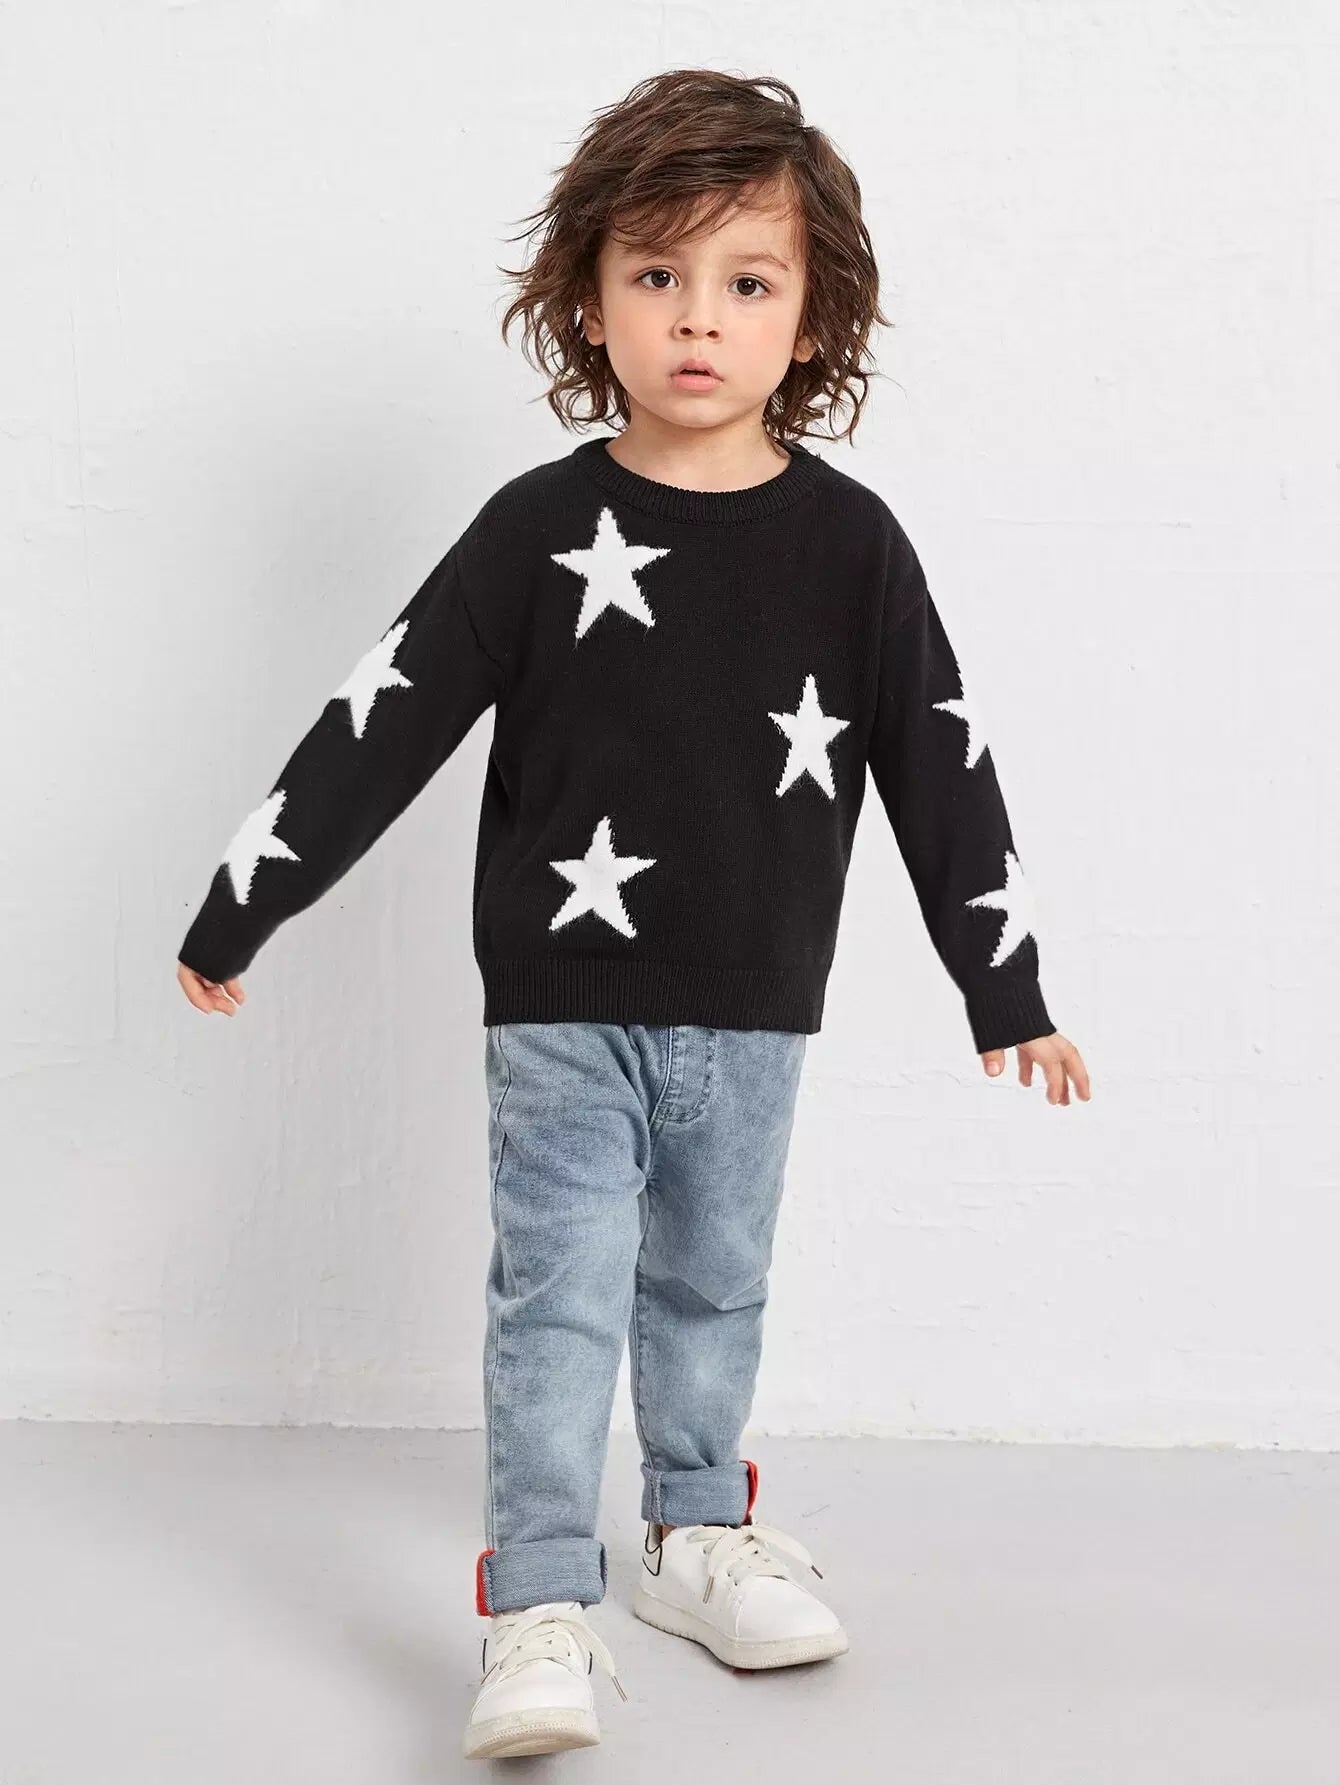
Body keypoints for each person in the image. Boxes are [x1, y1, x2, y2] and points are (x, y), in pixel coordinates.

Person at [177, 66, 1091, 1764]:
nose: (698, 319)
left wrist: (1007, 986)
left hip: (757, 1002)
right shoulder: (535, 532)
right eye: (657, 274)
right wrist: (247, 903)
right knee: (561, 1296)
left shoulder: (854, 550)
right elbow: (386, 715)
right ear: (588, 300)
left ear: (814, 316)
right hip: (562, 1007)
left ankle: (691, 1530)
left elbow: (941, 764)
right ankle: (537, 1598)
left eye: (747, 280)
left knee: (714, 1286)